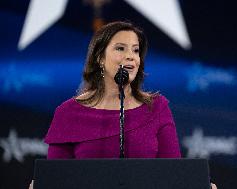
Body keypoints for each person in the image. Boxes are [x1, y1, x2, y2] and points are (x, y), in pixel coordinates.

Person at [29, 21, 217, 189]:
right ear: (99, 58)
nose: (131, 57)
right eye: (120, 48)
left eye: (135, 50)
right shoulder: (68, 113)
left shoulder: (156, 108)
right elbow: (57, 180)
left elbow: (172, 176)